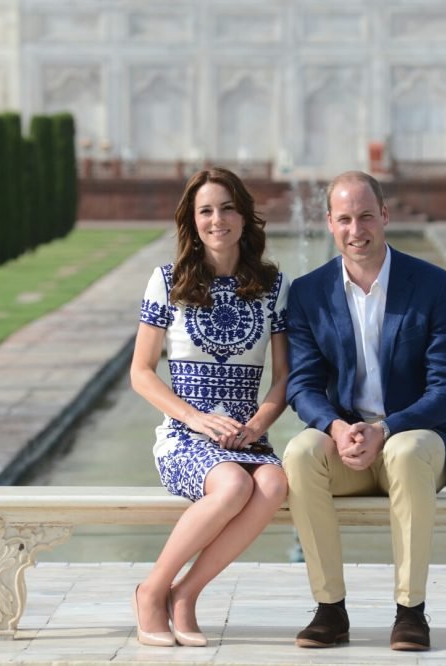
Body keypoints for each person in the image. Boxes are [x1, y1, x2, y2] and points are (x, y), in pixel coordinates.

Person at [283, 170, 446, 652]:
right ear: (328, 223)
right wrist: (336, 427)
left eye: (366, 216)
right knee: (301, 452)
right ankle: (330, 610)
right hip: (349, 445)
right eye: (344, 219)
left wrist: (386, 429)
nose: (356, 229)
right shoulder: (308, 293)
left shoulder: (434, 285)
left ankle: (411, 612)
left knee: (405, 451)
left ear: (385, 215)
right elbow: (301, 386)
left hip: (418, 441)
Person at [129, 166, 289, 647]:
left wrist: (259, 422)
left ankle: (186, 595)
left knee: (275, 482)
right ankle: (151, 590)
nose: (216, 219)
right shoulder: (167, 281)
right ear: (192, 222)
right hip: (183, 436)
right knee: (234, 483)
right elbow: (141, 372)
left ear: (243, 216)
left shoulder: (273, 286)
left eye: (226, 208)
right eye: (205, 211)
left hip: (246, 434)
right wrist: (194, 417)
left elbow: (284, 377)